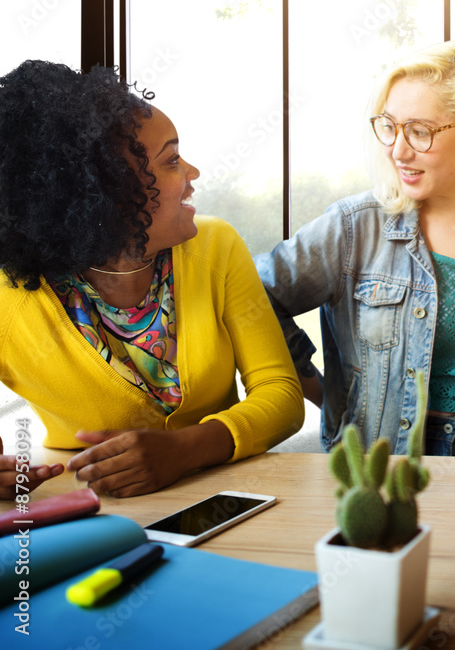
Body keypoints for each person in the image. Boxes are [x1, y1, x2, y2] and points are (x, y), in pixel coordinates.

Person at [0, 61, 304, 500]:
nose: (192, 174)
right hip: (93, 514)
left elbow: (281, 394)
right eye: (172, 160)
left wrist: (183, 450)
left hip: (224, 502)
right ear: (108, 193)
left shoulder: (215, 247)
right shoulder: (11, 299)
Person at [256, 42, 455, 457]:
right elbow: (254, 296)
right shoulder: (353, 226)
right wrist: (323, 392)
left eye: (419, 131)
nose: (398, 150)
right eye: (389, 126)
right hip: (388, 459)